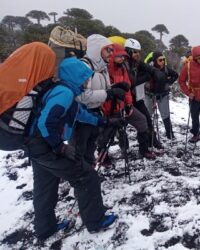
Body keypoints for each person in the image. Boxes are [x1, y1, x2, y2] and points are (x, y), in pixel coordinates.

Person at [26, 57, 119, 240]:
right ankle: (95, 221)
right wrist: (59, 147)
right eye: (85, 77)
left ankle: (45, 228)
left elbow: (81, 114)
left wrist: (106, 121)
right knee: (87, 176)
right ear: (75, 77)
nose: (87, 81)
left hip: (35, 147)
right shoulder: (64, 94)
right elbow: (46, 123)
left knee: (45, 188)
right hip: (46, 147)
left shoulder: (66, 92)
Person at [70, 34, 127, 165]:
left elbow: (104, 88)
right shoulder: (84, 67)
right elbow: (82, 96)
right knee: (79, 152)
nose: (111, 53)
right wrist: (109, 93)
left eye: (112, 50)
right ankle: (81, 179)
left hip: (95, 113)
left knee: (90, 150)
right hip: (80, 117)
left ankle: (89, 177)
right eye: (108, 49)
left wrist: (116, 87)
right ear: (97, 48)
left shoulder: (102, 67)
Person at [100, 43, 156, 159]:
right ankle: (103, 157)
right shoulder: (103, 69)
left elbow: (127, 89)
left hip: (123, 106)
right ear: (112, 55)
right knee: (106, 134)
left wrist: (129, 104)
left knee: (142, 120)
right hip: (108, 108)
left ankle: (144, 150)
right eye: (119, 56)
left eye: (123, 56)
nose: (122, 59)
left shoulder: (123, 68)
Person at [124, 38, 163, 149]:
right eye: (135, 52)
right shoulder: (124, 64)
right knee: (121, 126)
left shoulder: (137, 63)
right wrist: (147, 77)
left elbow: (147, 67)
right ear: (128, 51)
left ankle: (150, 142)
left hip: (137, 98)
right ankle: (123, 147)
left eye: (138, 52)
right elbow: (131, 82)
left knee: (146, 120)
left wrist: (155, 71)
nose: (138, 54)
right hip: (124, 99)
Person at [144, 51, 178, 139]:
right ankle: (148, 134)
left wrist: (168, 82)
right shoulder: (149, 69)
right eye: (160, 60)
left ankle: (170, 134)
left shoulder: (166, 70)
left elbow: (175, 75)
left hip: (163, 96)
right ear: (155, 61)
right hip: (149, 96)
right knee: (148, 115)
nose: (162, 61)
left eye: (163, 59)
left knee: (165, 115)